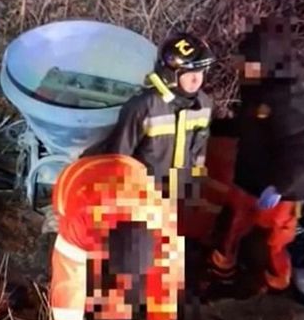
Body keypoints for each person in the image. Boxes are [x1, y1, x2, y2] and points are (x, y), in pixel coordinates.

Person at [49, 153, 182, 320]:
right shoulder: (80, 222)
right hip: (74, 179)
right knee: (80, 278)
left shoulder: (165, 230)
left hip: (132, 172)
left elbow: (165, 288)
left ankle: (113, 299)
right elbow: (68, 284)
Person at [209, 17, 304, 291]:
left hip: (277, 193)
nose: (241, 68)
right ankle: (221, 280)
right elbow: (247, 127)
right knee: (229, 234)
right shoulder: (257, 91)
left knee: (269, 247)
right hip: (248, 182)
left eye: (248, 62)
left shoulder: (295, 97)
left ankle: (273, 291)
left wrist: (281, 186)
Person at [91, 32, 216, 202]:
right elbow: (119, 159)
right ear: (170, 75)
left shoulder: (204, 105)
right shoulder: (143, 107)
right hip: (141, 200)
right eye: (188, 73)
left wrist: (194, 191)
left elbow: (199, 154)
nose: (196, 80)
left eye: (201, 72)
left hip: (180, 198)